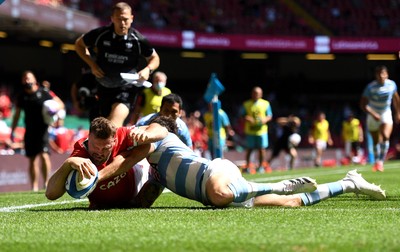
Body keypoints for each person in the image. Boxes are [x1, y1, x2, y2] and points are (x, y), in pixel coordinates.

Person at [96, 115, 386, 209]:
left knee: (219, 194)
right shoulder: (157, 173)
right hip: (221, 191)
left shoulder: (157, 136)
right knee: (292, 203)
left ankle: (278, 184)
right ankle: (348, 183)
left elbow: (155, 130)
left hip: (218, 173)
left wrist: (97, 178)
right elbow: (140, 203)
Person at [45, 116, 168, 209]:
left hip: (138, 182)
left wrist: (147, 134)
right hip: (100, 204)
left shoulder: (122, 134)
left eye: (105, 148)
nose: (99, 152)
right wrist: (68, 163)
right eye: (95, 146)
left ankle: (156, 178)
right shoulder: (81, 152)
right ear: (89, 137)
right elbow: (51, 194)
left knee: (149, 145)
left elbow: (161, 129)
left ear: (114, 141)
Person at [74, 2, 160, 127]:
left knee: (114, 122)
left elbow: (155, 58)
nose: (122, 23)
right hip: (103, 87)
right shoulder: (101, 35)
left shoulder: (138, 39)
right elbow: (79, 45)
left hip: (126, 88)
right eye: (118, 19)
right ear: (112, 18)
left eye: (125, 19)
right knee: (101, 125)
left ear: (131, 18)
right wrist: (92, 64)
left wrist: (148, 69)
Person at [10, 71, 64, 191]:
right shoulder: (22, 96)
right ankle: (34, 186)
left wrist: (54, 109)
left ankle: (46, 183)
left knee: (44, 155)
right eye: (24, 79)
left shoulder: (44, 92)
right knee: (32, 158)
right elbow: (17, 115)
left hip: (43, 129)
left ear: (34, 80)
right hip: (29, 130)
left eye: (28, 78)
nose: (26, 81)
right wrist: (12, 130)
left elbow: (60, 104)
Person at [360, 65, 400, 172]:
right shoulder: (370, 87)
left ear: (387, 74)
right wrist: (373, 114)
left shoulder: (392, 85)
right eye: (379, 74)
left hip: (385, 112)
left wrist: (398, 113)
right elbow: (363, 105)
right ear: (376, 75)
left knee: (386, 136)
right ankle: (377, 161)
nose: (381, 76)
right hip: (373, 113)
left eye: (383, 73)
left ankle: (381, 162)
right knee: (376, 140)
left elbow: (396, 99)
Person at [239, 86, 272, 174]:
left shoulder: (266, 104)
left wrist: (265, 119)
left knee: (262, 149)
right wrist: (247, 118)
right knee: (249, 149)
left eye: (257, 93)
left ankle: (261, 167)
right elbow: (241, 115)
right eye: (254, 93)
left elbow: (270, 115)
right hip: (250, 131)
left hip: (261, 131)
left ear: (261, 94)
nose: (255, 95)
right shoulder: (246, 104)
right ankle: (248, 167)